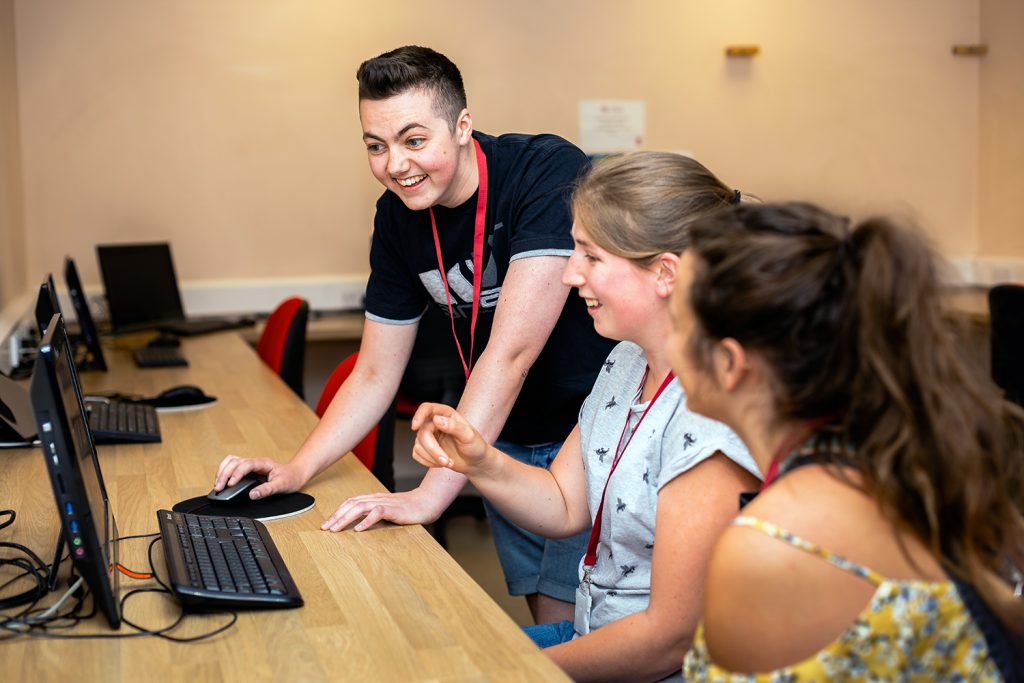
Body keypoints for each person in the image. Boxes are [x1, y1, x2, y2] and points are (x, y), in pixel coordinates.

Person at [213, 45, 615, 624]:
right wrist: (296, 469)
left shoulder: (542, 170)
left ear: (461, 125)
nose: (395, 164)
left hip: (583, 434)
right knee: (550, 623)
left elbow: (510, 353)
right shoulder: (397, 216)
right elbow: (375, 370)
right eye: (375, 146)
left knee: (577, 632)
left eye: (413, 140)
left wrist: (429, 494)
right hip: (497, 436)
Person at [411, 152, 761, 682]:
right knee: (414, 660)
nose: (570, 275)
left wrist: (513, 670)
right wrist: (479, 461)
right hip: (593, 630)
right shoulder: (625, 361)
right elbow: (566, 503)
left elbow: (668, 640)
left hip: (670, 669)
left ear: (665, 272)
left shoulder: (714, 414)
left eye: (590, 256)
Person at [671, 202, 1024, 680]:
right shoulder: (907, 460)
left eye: (677, 324)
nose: (670, 344)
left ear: (731, 364)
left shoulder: (771, 549)